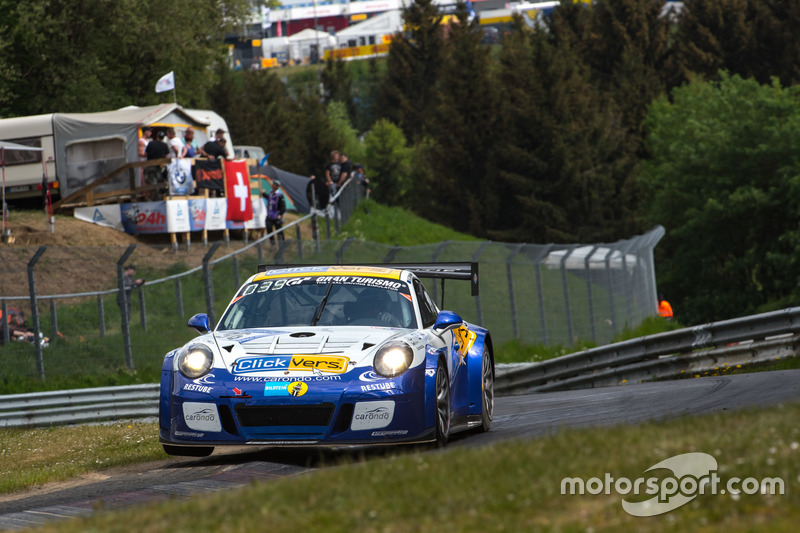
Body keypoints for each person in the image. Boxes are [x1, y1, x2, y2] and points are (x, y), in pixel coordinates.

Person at [144, 130, 170, 199]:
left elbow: (145, 154)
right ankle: (161, 197)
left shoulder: (151, 143)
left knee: (152, 184)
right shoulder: (164, 145)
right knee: (160, 182)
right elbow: (166, 157)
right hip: (160, 167)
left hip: (150, 166)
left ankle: (154, 198)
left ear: (157, 136)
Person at [263, 179, 286, 246]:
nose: (273, 185)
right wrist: (263, 194)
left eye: (275, 185)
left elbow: (283, 207)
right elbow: (269, 198)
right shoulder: (271, 192)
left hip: (276, 216)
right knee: (269, 228)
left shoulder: (279, 195)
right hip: (270, 215)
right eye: (273, 184)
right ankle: (272, 244)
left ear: (277, 186)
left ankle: (282, 244)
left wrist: (280, 214)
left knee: (279, 231)